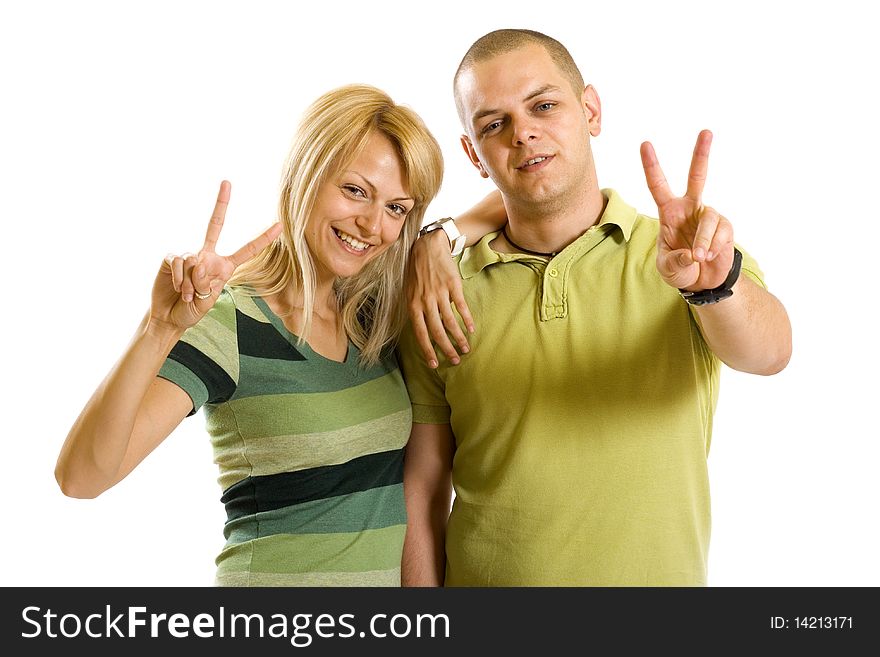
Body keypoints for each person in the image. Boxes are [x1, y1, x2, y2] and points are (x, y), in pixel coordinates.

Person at [54, 83, 498, 587]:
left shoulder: (375, 319)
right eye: (355, 190)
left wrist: (437, 239)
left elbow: (517, 199)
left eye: (397, 208)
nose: (373, 224)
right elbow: (82, 478)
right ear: (305, 178)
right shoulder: (233, 324)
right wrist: (158, 330)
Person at [398, 29, 793, 586]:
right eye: (494, 124)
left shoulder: (687, 258)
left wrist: (712, 285)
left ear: (590, 110)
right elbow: (425, 485)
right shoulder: (439, 295)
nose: (524, 133)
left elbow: (771, 352)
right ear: (473, 154)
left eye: (544, 105)